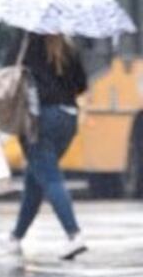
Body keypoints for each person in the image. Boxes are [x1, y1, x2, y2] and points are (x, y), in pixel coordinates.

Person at [5, 32, 88, 260]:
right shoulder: (69, 46)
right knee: (36, 177)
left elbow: (6, 76)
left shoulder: (25, 43)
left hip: (39, 118)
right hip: (68, 117)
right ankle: (15, 237)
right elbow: (81, 85)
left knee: (50, 177)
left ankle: (74, 234)